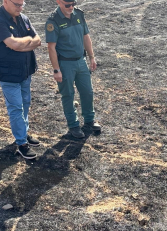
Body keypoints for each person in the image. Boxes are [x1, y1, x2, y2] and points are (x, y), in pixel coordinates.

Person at [0, 0, 41, 159]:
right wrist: (24, 42)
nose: (20, 7)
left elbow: (38, 40)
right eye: (17, 4)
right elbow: (13, 44)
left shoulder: (23, 18)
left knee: (25, 103)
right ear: (6, 1)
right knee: (16, 107)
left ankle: (24, 132)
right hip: (8, 73)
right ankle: (22, 143)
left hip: (25, 71)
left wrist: (21, 43)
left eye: (22, 4)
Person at [45, 0, 101, 139]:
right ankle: (73, 125)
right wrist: (56, 69)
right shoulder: (53, 21)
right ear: (58, 2)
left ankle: (89, 120)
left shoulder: (79, 14)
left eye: (73, 4)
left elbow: (85, 36)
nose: (71, 7)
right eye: (67, 5)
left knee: (87, 92)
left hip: (80, 61)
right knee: (68, 95)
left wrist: (91, 57)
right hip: (65, 64)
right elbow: (51, 47)